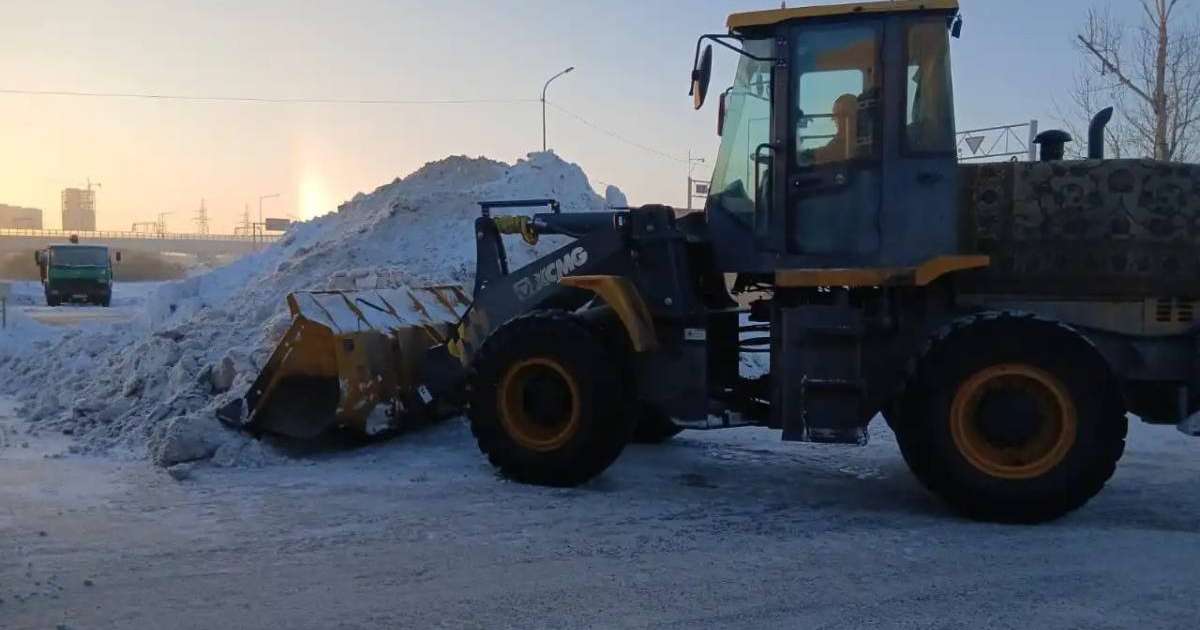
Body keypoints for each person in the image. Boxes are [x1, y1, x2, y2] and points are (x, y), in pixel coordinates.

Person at [808, 93, 859, 165]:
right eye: (835, 116)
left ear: (857, 115)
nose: (838, 120)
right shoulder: (837, 141)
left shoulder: (862, 141)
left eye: (843, 114)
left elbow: (827, 153)